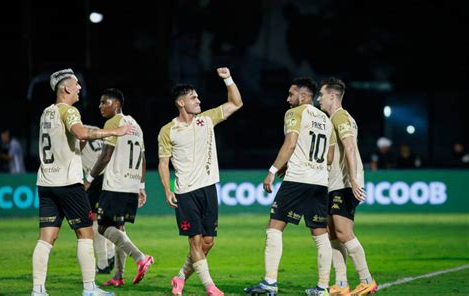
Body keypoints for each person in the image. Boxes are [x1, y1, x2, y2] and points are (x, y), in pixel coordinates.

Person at [34, 68, 135, 296]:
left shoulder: (46, 113)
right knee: (86, 234)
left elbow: (71, 142)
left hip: (46, 183)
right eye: (76, 84)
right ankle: (90, 288)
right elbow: (80, 134)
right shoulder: (70, 112)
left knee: (46, 238)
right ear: (66, 88)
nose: (80, 87)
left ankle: (37, 290)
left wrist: (78, 144)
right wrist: (115, 132)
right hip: (68, 183)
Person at [244, 77, 335, 296]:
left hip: (298, 178)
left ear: (303, 97)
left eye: (291, 94)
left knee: (274, 227)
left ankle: (270, 283)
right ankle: (323, 287)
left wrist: (273, 171)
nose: (287, 99)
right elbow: (329, 157)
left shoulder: (294, 113)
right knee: (321, 235)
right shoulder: (326, 119)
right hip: (319, 181)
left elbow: (291, 142)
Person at [158, 67, 243, 296]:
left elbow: (236, 103)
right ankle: (210, 287)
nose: (198, 100)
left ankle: (179, 277)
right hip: (185, 192)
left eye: (197, 96)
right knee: (194, 241)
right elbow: (163, 163)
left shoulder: (206, 119)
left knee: (207, 242)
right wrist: (167, 189)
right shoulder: (168, 131)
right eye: (193, 98)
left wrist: (228, 79)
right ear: (181, 103)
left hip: (208, 188)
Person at [84, 88, 153, 287]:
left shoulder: (113, 123)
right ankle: (119, 276)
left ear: (116, 104)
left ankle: (140, 258)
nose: (100, 106)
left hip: (115, 185)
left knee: (104, 227)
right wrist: (141, 186)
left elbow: (105, 155)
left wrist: (89, 178)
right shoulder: (136, 125)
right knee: (119, 229)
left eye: (104, 102)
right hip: (131, 184)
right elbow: (143, 158)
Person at [317, 77, 377, 295]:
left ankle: (366, 279)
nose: (319, 99)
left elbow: (350, 147)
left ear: (332, 96)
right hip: (333, 184)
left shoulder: (341, 116)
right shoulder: (333, 118)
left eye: (321, 95)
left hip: (344, 183)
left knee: (343, 232)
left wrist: (353, 179)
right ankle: (341, 284)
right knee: (332, 232)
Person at [81, 126, 116, 274]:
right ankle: (110, 253)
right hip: (112, 174)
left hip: (96, 175)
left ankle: (103, 263)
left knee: (94, 219)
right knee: (107, 218)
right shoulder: (96, 129)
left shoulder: (76, 132)